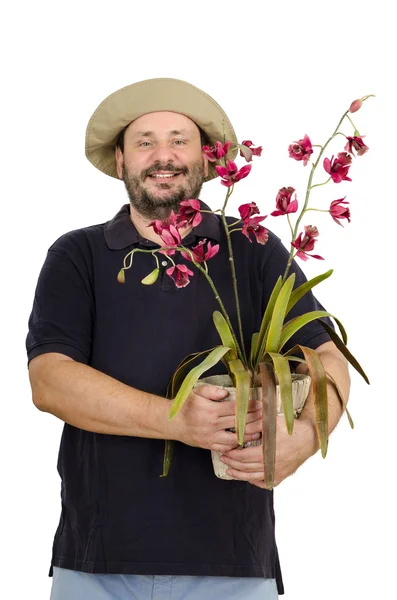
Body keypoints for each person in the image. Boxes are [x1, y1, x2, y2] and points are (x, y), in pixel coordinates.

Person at [26, 78, 350, 600]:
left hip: (234, 563)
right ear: (120, 161)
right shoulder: (78, 255)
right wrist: (179, 421)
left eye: (180, 139)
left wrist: (307, 437)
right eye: (144, 141)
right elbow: (49, 382)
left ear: (208, 159)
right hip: (98, 561)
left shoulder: (254, 248)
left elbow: (326, 357)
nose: (164, 156)